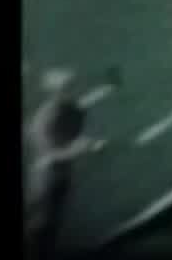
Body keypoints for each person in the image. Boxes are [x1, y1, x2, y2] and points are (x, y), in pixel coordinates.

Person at [25, 69, 105, 260]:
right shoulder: (46, 118)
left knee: (53, 222)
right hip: (48, 177)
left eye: (70, 86)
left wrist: (88, 144)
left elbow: (75, 134)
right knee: (41, 223)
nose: (70, 90)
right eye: (66, 87)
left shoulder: (73, 110)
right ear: (54, 91)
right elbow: (50, 154)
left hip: (63, 174)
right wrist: (82, 148)